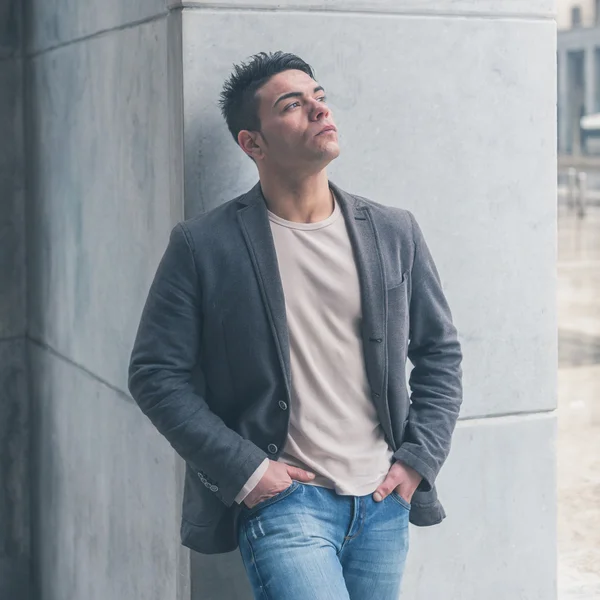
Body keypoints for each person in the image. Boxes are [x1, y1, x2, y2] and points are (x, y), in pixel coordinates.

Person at [128, 51, 463, 600]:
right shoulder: (204, 245)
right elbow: (154, 374)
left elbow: (440, 352)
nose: (318, 110)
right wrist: (248, 471)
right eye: (292, 104)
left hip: (382, 501)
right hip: (288, 503)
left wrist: (418, 460)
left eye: (320, 97)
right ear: (251, 143)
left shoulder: (393, 231)